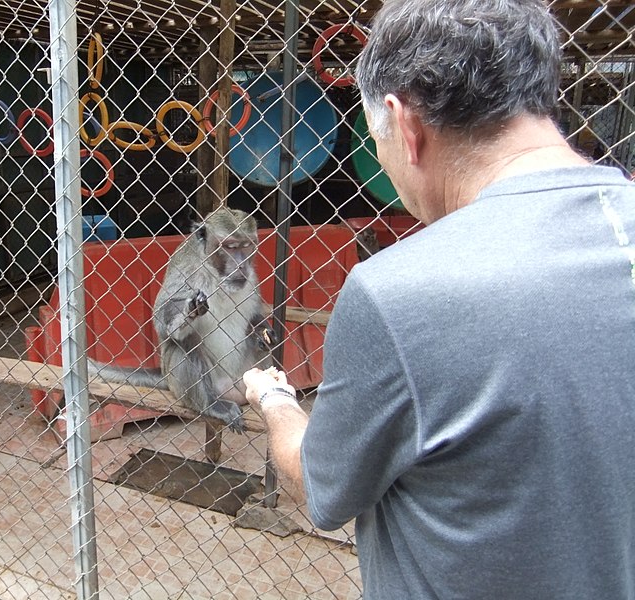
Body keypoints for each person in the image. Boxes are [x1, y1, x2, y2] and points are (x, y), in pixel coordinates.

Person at [243, 1, 635, 598]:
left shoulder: (399, 291)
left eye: (376, 139)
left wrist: (274, 399)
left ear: (404, 123)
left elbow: (323, 491)